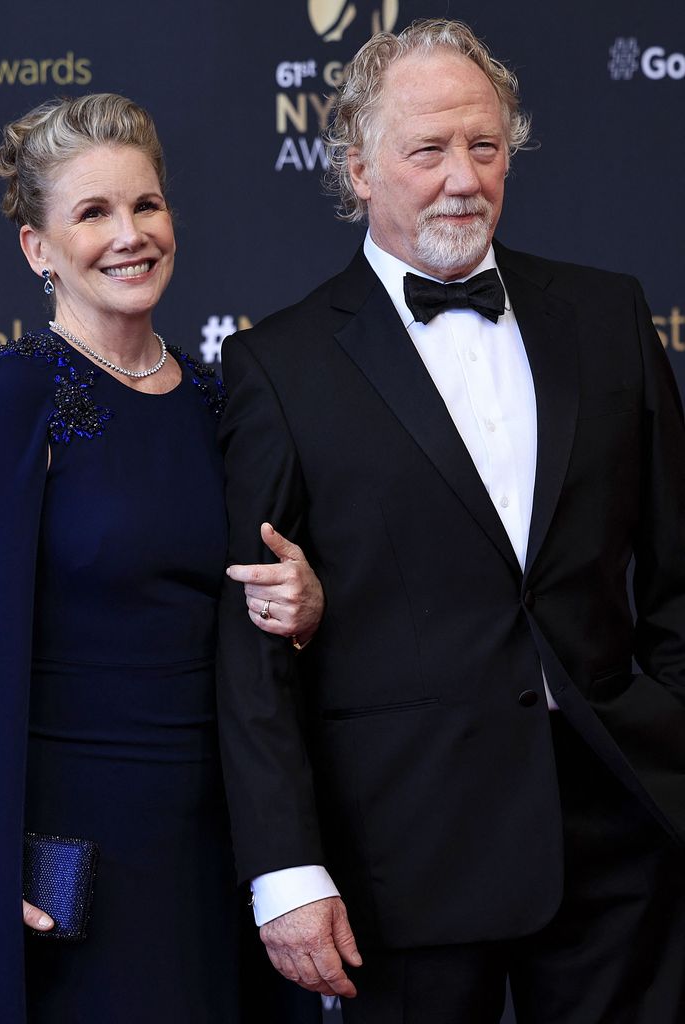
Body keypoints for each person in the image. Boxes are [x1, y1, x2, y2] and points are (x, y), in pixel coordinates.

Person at [216, 18, 685, 1023]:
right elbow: (251, 651)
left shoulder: (608, 316)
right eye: (427, 150)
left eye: (483, 145)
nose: (462, 177)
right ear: (357, 169)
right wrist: (286, 866)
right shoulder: (279, 367)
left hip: (619, 827)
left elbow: (677, 570)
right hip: (401, 848)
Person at [0, 93, 325, 1024]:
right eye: (93, 212)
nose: (129, 235)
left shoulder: (220, 400)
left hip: (224, 840)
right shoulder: (17, 400)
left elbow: (256, 610)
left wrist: (306, 604)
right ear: (39, 249)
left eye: (145, 205)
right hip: (78, 860)